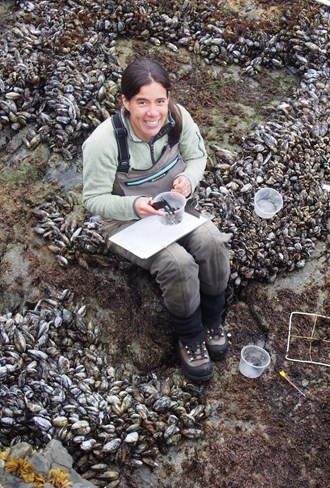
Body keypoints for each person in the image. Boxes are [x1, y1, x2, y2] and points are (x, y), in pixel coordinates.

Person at [82, 58, 231, 383]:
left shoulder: (178, 119)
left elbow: (197, 157)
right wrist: (135, 206)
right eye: (142, 102)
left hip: (176, 208)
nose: (153, 112)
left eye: (160, 101)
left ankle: (213, 317)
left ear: (168, 98)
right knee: (178, 265)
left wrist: (188, 181)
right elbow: (93, 201)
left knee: (213, 242)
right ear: (125, 102)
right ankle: (191, 336)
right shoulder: (103, 143)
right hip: (126, 221)